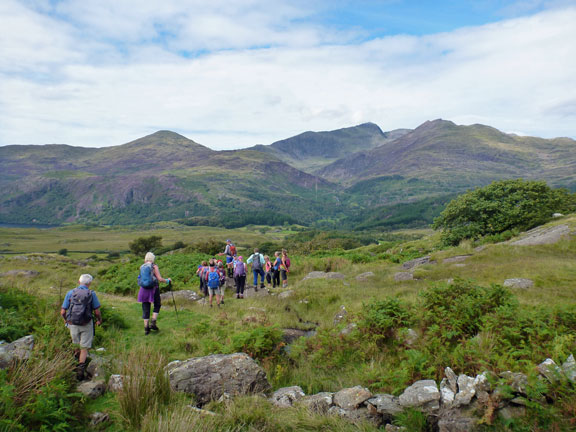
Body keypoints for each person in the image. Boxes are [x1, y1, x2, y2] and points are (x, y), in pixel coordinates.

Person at [60, 274, 102, 380]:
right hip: (86, 323)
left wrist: (66, 320)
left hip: (72, 323)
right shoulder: (91, 293)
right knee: (84, 347)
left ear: (79, 281)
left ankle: (73, 365)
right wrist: (99, 320)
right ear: (89, 284)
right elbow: (97, 311)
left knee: (76, 345)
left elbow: (63, 311)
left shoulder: (70, 293)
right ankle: (81, 370)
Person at [137, 252, 171, 335]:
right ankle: (153, 323)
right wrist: (168, 280)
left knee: (145, 307)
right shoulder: (154, 266)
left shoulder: (142, 267)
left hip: (143, 289)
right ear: (153, 258)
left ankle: (146, 329)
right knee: (157, 304)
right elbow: (160, 279)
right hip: (153, 289)